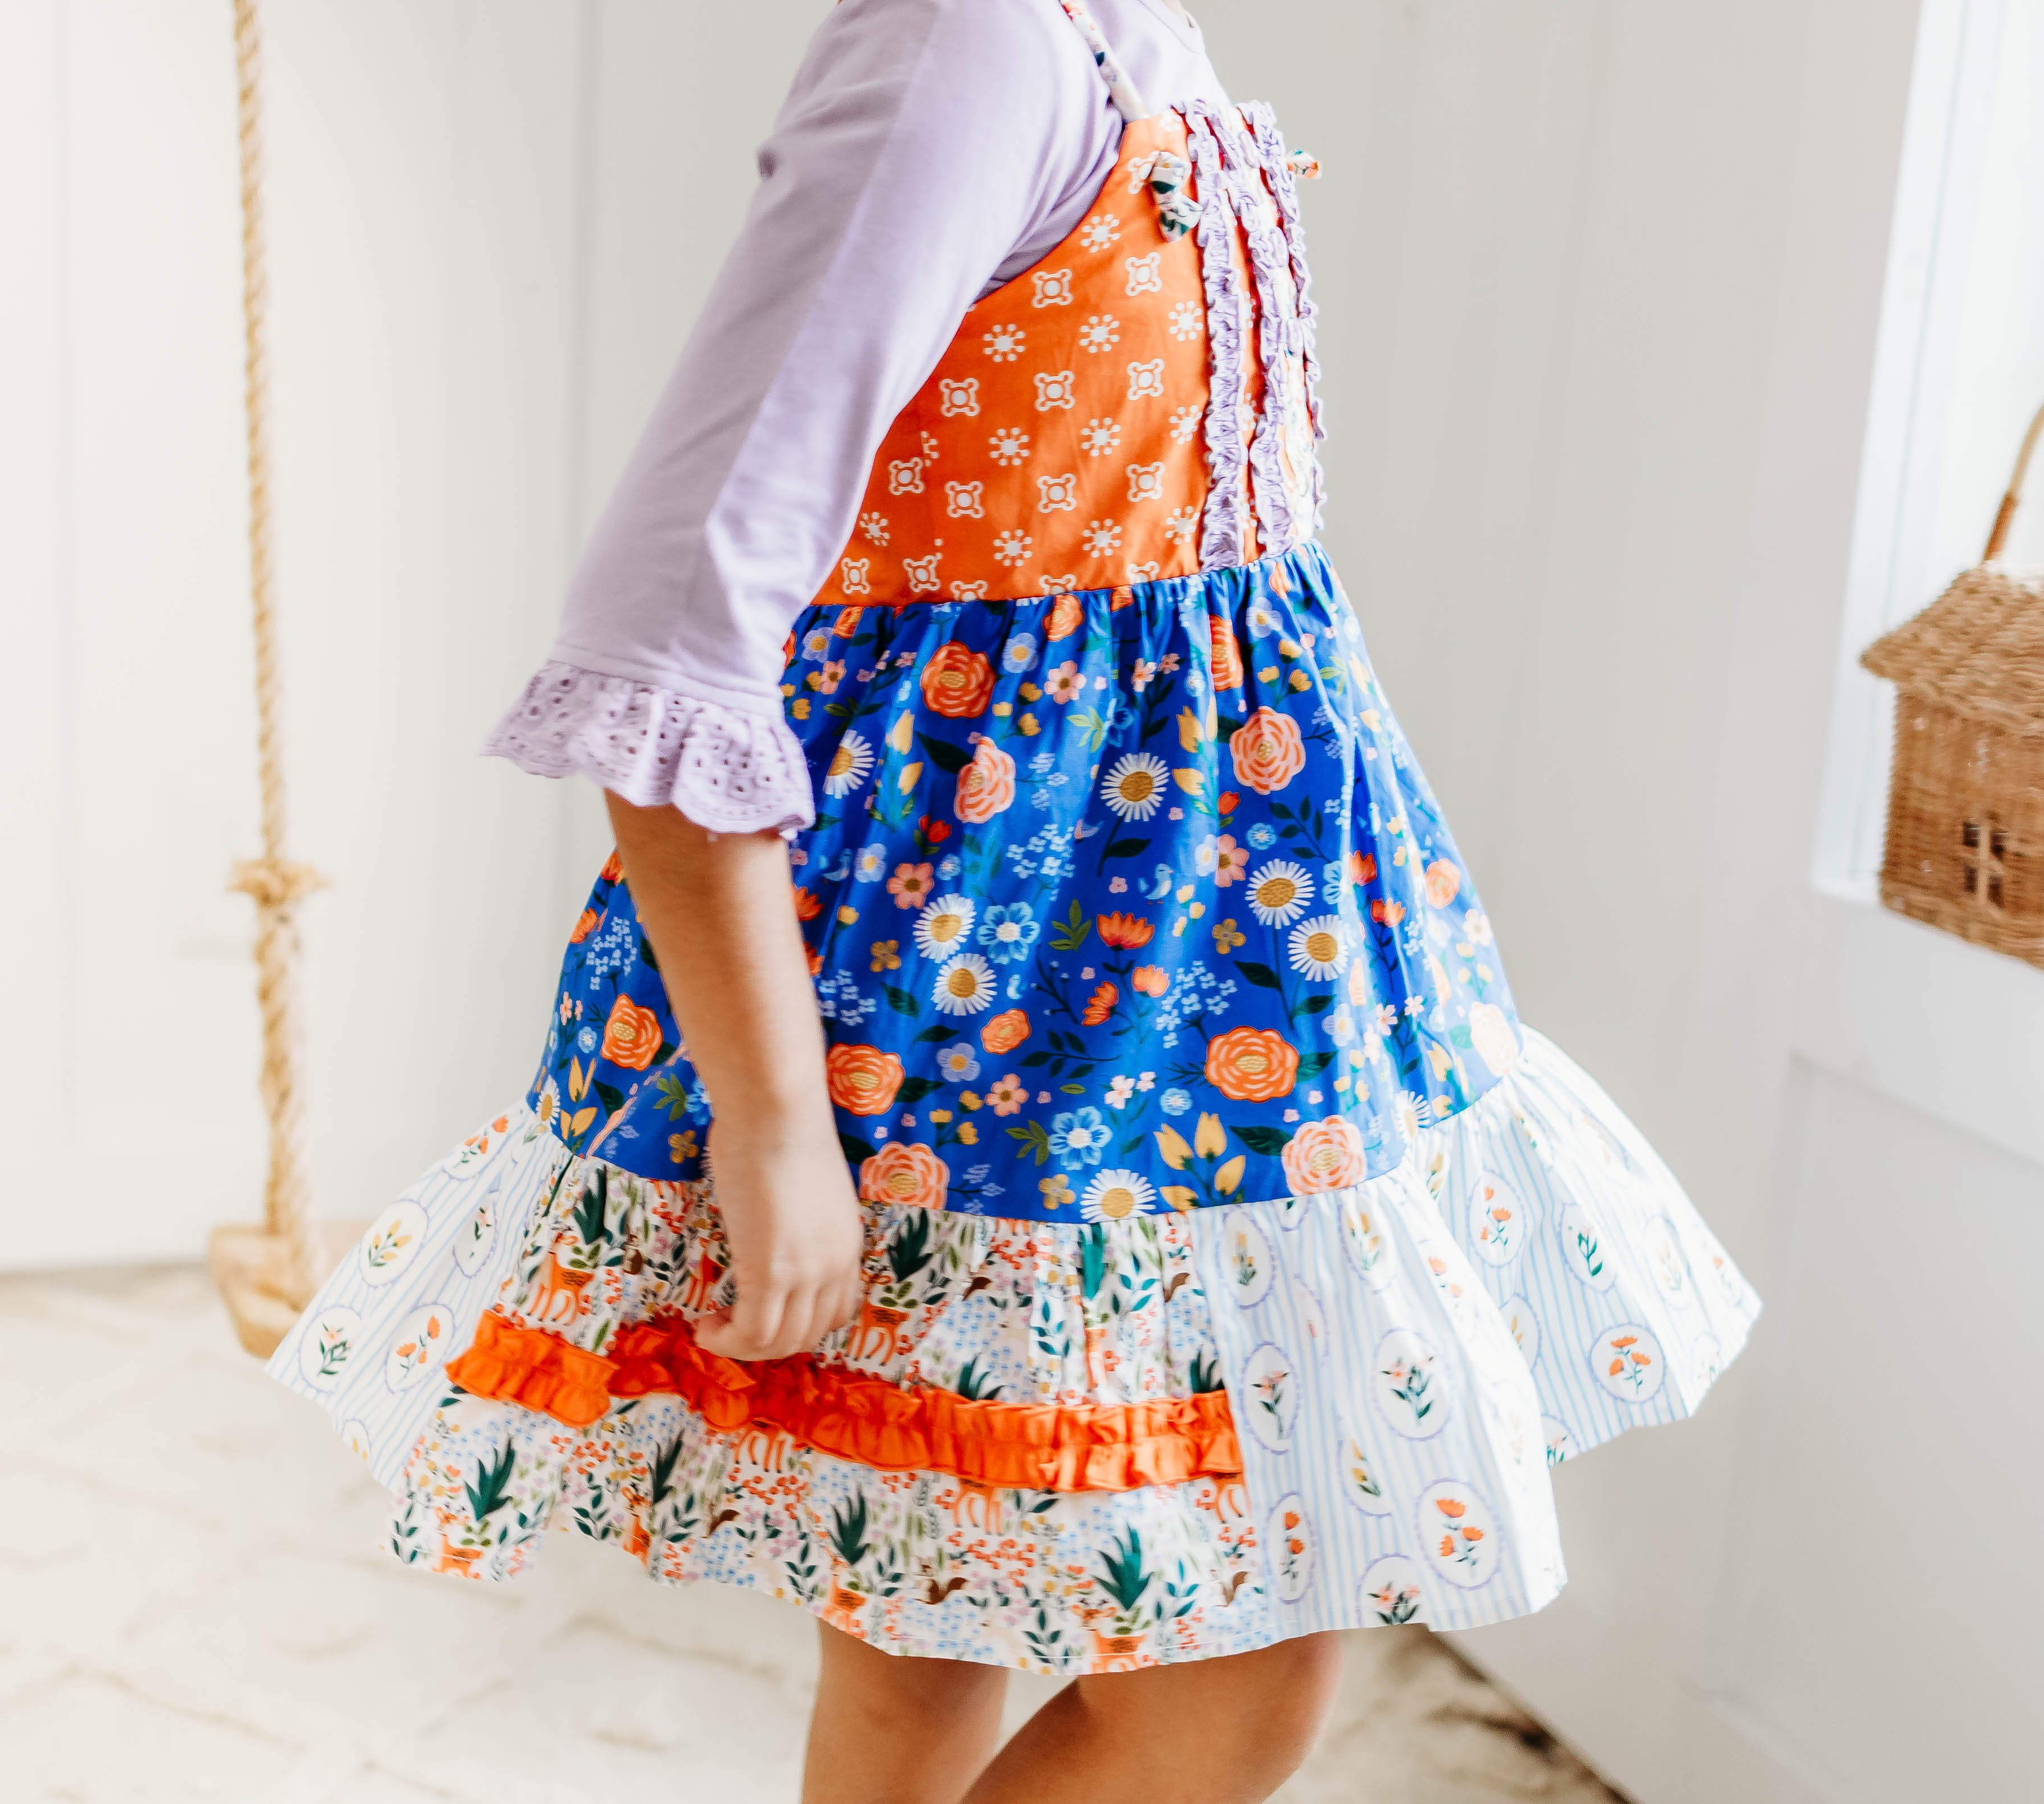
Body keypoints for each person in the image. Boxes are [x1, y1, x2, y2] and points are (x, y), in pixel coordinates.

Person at [272, 2, 1761, 1798]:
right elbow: (665, 647)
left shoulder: (1128, 32)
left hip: (1211, 975)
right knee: (1183, 1655)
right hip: (994, 997)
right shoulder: (969, 46)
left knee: (944, 1640)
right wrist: (772, 1122)